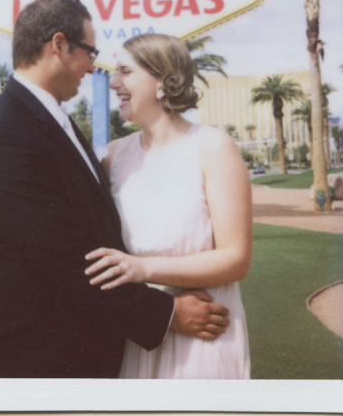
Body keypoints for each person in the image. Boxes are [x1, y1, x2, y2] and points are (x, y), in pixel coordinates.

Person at [0, 0, 231, 378]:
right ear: (59, 45)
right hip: (40, 356)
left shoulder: (48, 119)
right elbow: (58, 258)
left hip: (85, 346)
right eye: (90, 53)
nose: (94, 69)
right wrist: (168, 313)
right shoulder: (8, 133)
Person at [84, 33, 252, 378]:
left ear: (162, 81)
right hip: (142, 332)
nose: (113, 83)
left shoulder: (212, 146)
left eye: (125, 72)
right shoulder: (113, 156)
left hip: (205, 329)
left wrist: (143, 269)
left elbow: (236, 259)